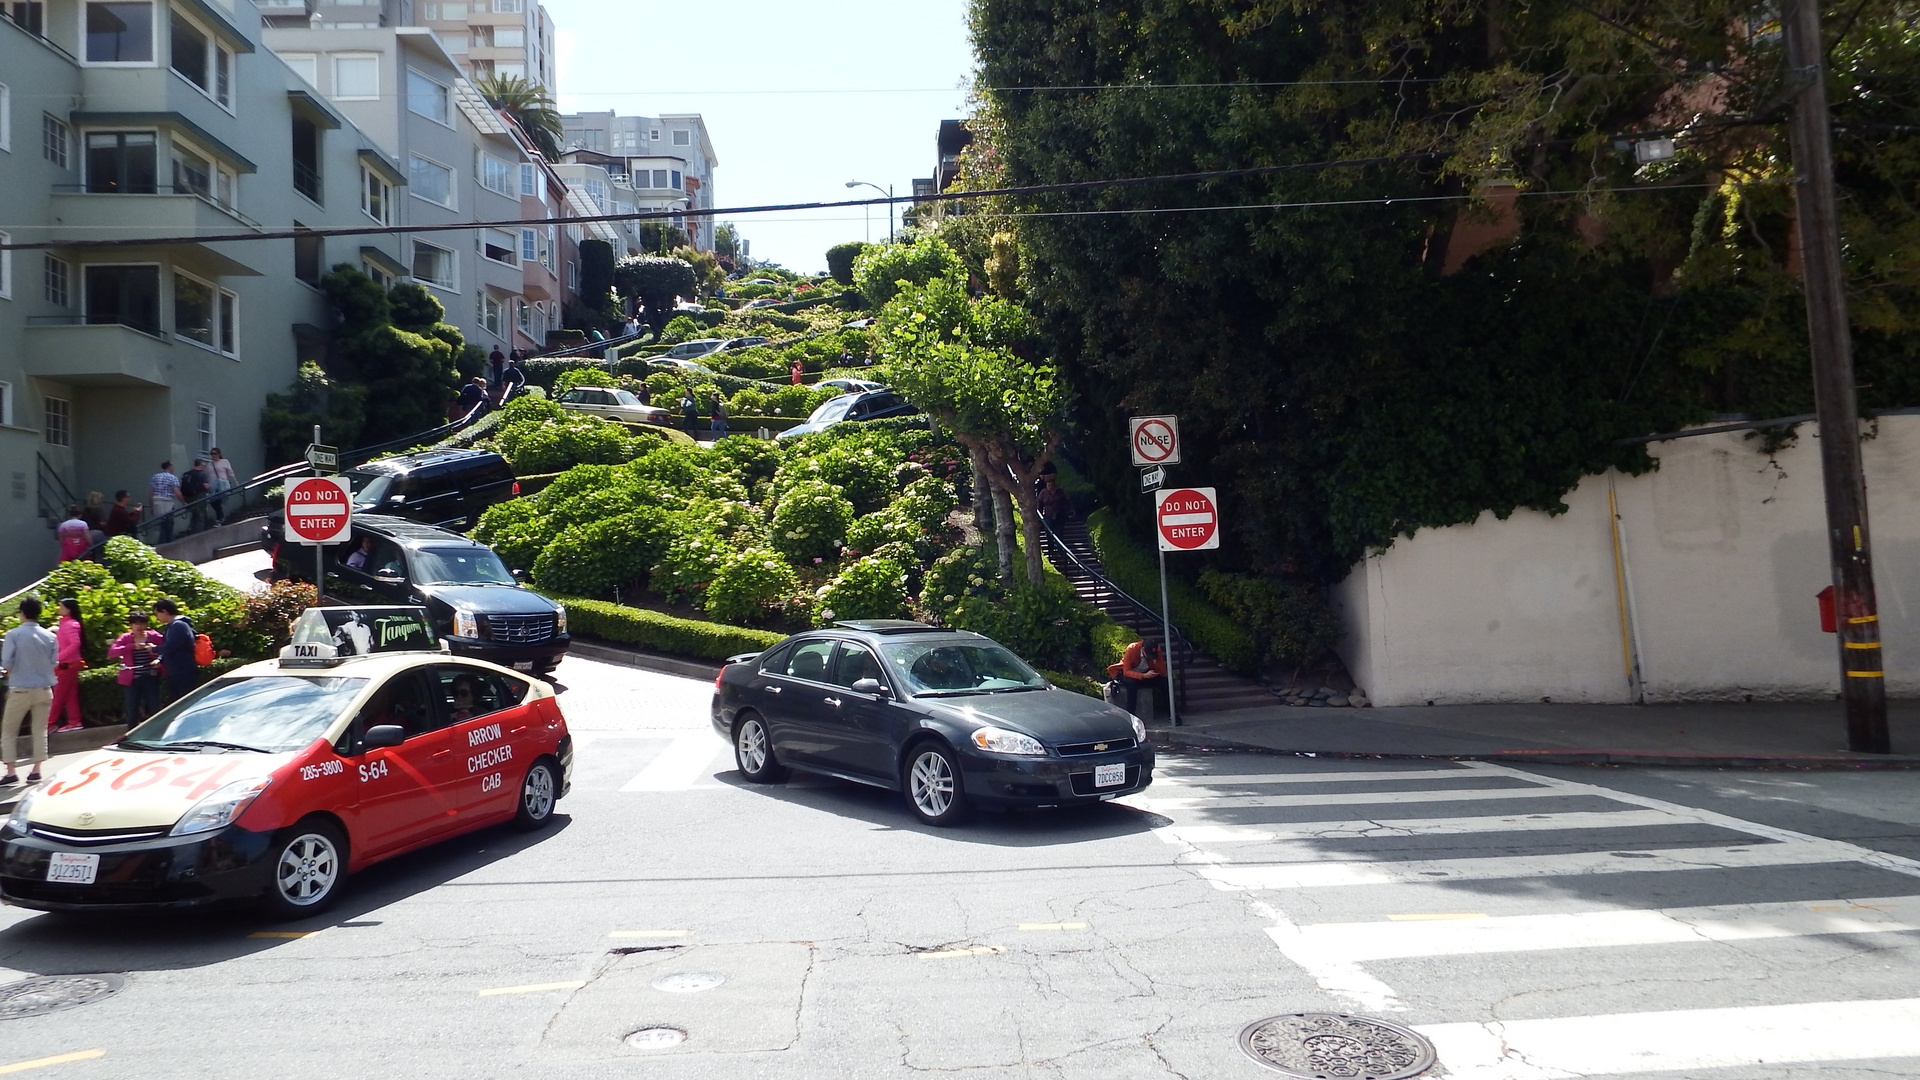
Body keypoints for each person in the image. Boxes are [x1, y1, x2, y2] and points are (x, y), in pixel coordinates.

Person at [0, 598, 56, 785]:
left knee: (9, 731)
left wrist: (9, 672)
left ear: (22, 613)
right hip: (44, 687)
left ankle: (10, 771)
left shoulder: (13, 634)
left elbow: (6, 662)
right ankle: (36, 770)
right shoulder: (50, 636)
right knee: (40, 731)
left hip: (20, 688)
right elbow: (54, 662)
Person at [109, 613, 163, 728]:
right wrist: (131, 646)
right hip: (132, 679)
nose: (139, 627)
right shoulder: (126, 638)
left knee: (154, 705)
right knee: (132, 707)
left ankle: (158, 729)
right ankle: (132, 731)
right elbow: (112, 652)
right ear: (131, 625)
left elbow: (165, 649)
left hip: (150, 676)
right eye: (136, 624)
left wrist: (158, 660)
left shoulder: (153, 636)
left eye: (142, 623)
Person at [47, 598, 85, 734]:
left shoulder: (70, 624)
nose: (59, 609)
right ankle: (74, 721)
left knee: (58, 696)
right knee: (69, 695)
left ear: (68, 609)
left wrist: (57, 658)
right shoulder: (68, 624)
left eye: (61, 606)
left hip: (67, 665)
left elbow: (75, 644)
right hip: (68, 664)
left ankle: (49, 724)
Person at [151, 598, 198, 705]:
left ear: (164, 611)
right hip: (175, 671)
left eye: (157, 613)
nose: (156, 617)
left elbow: (171, 646)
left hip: (184, 671)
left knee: (186, 703)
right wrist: (160, 659)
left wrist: (154, 649)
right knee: (176, 703)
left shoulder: (179, 625)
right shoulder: (171, 626)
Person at [1106, 639, 1168, 717]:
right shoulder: (1132, 648)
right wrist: (1143, 676)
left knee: (1164, 681)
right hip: (1131, 676)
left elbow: (1162, 672)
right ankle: (1131, 714)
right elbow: (1126, 671)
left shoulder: (1157, 651)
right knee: (1132, 684)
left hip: (1145, 675)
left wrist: (1156, 663)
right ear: (1143, 649)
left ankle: (1172, 713)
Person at [148, 461, 180, 543]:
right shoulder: (172, 477)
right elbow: (177, 492)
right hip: (168, 502)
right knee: (168, 523)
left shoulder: (155, 477)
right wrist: (183, 502)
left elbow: (151, 492)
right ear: (169, 467)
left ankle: (162, 542)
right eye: (172, 467)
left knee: (161, 523)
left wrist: (151, 506)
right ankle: (167, 542)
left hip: (157, 501)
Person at [179, 459, 212, 533]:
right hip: (198, 497)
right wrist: (210, 487)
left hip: (187, 497)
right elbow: (206, 486)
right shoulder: (201, 474)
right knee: (200, 514)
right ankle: (198, 532)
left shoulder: (187, 474)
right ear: (201, 465)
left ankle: (191, 527)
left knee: (194, 513)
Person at [207, 448, 237, 526]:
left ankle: (219, 518)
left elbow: (230, 472)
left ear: (219, 454)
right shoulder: (210, 464)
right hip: (213, 485)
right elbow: (208, 475)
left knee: (219, 500)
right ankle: (220, 517)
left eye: (215, 453)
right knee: (213, 501)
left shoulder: (224, 462)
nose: (213, 455)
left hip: (222, 484)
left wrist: (235, 482)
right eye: (212, 454)